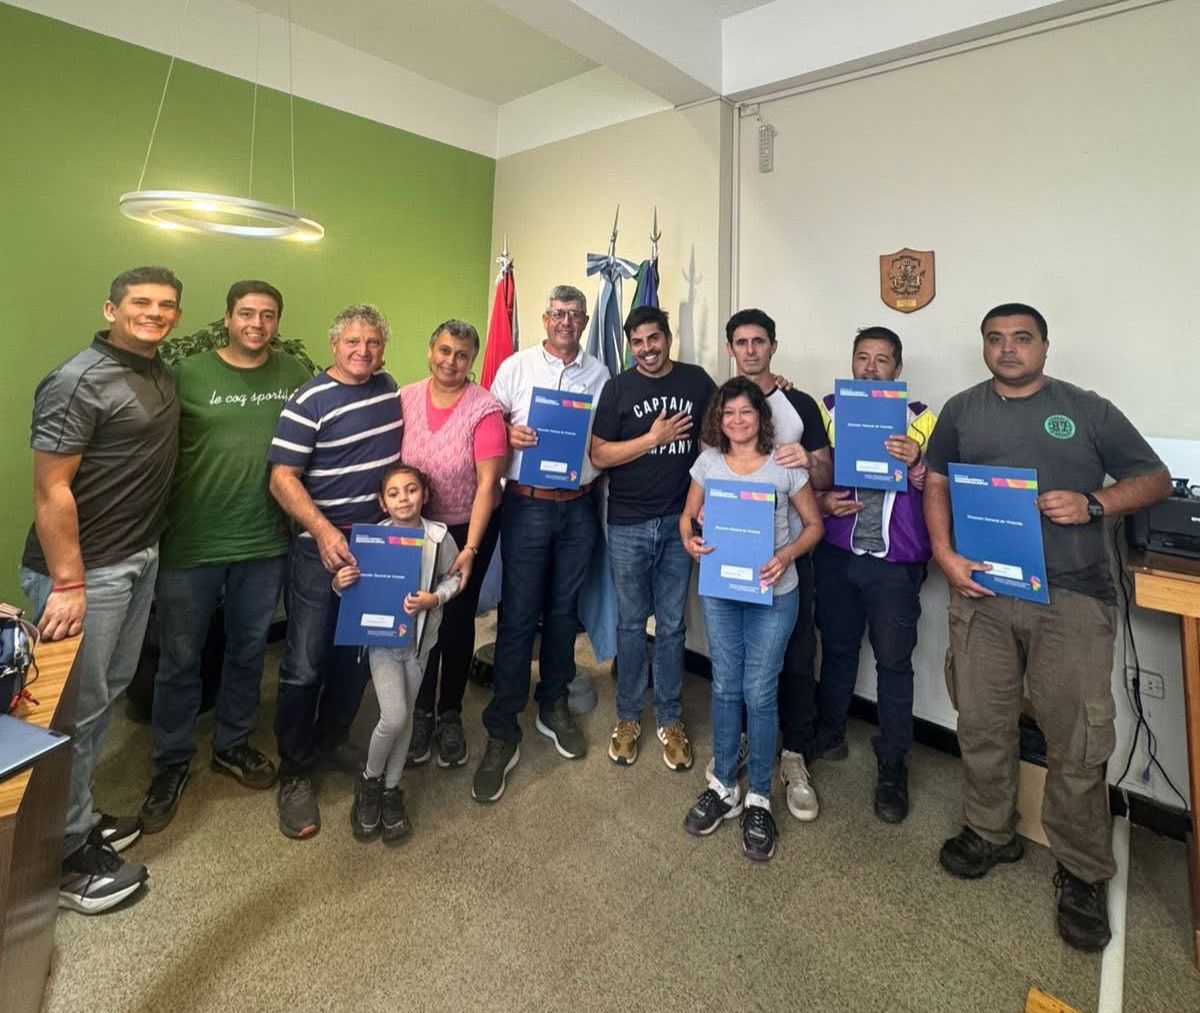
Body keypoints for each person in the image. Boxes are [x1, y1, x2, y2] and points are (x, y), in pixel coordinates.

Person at [924, 302, 1170, 952]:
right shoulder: (962, 410)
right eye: (995, 339)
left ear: (1044, 345)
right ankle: (990, 830)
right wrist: (945, 555)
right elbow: (936, 484)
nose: (1008, 349)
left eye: (1021, 338)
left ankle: (1082, 870)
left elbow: (1154, 479)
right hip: (982, 594)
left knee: (1077, 739)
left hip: (1072, 598)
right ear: (984, 347)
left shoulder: (1086, 409)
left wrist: (1094, 502)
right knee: (982, 720)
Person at [20, 266, 182, 913]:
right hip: (84, 574)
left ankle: (76, 818)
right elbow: (50, 488)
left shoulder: (156, 371)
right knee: (72, 712)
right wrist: (67, 581)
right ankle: (60, 859)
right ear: (111, 309)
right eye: (141, 302)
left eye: (166, 304)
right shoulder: (77, 379)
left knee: (103, 697)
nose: (154, 313)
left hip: (137, 559)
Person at [140, 280, 312, 834]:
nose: (256, 324)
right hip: (192, 543)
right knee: (179, 658)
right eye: (246, 313)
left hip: (264, 541)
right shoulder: (186, 373)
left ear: (277, 322)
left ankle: (232, 743)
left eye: (268, 315)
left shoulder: (294, 374)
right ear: (228, 317)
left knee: (247, 651)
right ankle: (171, 760)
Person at [267, 304, 403, 839]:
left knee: (355, 659)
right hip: (318, 548)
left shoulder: (388, 389)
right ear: (334, 346)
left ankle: (332, 739)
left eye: (373, 342)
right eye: (352, 342)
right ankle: (295, 772)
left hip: (373, 548)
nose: (362, 351)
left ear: (383, 349)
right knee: (304, 664)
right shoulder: (309, 400)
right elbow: (282, 478)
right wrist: (324, 533)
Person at [472, 284, 609, 803]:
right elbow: (488, 424)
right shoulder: (516, 366)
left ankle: (552, 704)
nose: (565, 321)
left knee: (563, 612)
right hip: (526, 505)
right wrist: (507, 434)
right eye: (557, 313)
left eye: (574, 314)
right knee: (518, 615)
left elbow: (605, 437)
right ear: (545, 318)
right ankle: (502, 726)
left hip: (579, 506)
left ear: (585, 321)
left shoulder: (601, 375)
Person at [680, 377, 823, 862]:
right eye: (728, 413)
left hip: (775, 594)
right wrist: (690, 539)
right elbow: (687, 518)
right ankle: (724, 787)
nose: (737, 420)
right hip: (722, 592)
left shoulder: (784, 464)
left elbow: (815, 526)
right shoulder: (708, 463)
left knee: (759, 692)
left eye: (746, 412)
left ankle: (759, 796)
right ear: (718, 420)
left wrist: (786, 555)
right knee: (724, 686)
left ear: (761, 417)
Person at [812, 326, 937, 824]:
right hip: (839, 554)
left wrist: (918, 463)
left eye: (881, 360)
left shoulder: (923, 419)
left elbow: (939, 488)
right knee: (837, 648)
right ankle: (829, 733)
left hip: (895, 563)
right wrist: (823, 500)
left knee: (894, 663)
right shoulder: (826, 409)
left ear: (897, 369)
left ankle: (892, 763)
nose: (869, 368)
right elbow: (810, 473)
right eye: (862, 357)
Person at [591, 305, 715, 769]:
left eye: (653, 338)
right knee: (629, 624)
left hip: (679, 521)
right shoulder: (618, 388)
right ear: (630, 346)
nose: (646, 349)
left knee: (671, 625)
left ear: (667, 337)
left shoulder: (697, 382)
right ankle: (627, 716)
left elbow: (721, 434)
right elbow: (599, 455)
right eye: (637, 342)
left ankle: (669, 716)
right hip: (628, 524)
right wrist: (652, 438)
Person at [724, 308, 830, 822]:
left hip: (789, 552)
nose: (750, 350)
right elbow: (707, 470)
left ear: (773, 346)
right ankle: (746, 739)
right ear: (731, 349)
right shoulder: (723, 403)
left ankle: (793, 754)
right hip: (733, 552)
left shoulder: (799, 403)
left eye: (758, 341)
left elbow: (826, 473)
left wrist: (805, 460)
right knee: (741, 658)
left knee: (795, 655)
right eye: (741, 342)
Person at [333, 465, 461, 842]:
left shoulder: (438, 537)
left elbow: (455, 577)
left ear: (425, 494)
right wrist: (339, 582)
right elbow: (353, 590)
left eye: (411, 490)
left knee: (404, 723)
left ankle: (391, 790)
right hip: (384, 646)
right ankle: (369, 780)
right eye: (394, 493)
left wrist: (436, 597)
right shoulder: (372, 540)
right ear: (382, 502)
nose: (404, 499)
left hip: (419, 647)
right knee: (394, 716)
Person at [399, 320, 505, 769]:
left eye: (462, 355)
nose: (451, 361)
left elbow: (487, 484)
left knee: (457, 620)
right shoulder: (405, 397)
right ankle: (421, 711)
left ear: (472, 360)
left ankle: (450, 713)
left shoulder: (485, 408)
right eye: (444, 350)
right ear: (430, 351)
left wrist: (471, 548)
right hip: (416, 527)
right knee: (420, 616)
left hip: (466, 529)